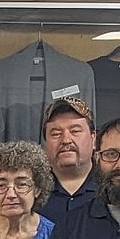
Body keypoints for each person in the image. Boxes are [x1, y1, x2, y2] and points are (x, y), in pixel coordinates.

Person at [39, 96, 96, 224]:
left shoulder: (111, 188)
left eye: (75, 131)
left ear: (93, 139)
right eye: (56, 133)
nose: (66, 140)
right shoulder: (31, 191)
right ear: (45, 144)